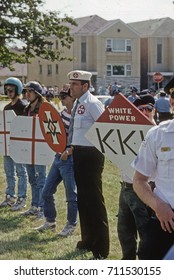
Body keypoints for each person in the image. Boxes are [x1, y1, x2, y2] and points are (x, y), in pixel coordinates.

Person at [67, 70, 109, 259]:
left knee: (94, 201)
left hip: (92, 155)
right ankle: (88, 239)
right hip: (79, 153)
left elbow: (105, 127)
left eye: (75, 84)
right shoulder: (78, 103)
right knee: (83, 199)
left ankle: (101, 248)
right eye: (71, 83)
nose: (71, 87)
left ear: (85, 86)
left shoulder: (93, 103)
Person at [132, 77, 174, 260]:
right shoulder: (158, 135)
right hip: (166, 219)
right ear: (172, 102)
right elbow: (139, 181)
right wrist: (158, 206)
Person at [35, 84, 78, 236]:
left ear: (72, 97)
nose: (62, 99)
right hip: (59, 156)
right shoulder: (62, 113)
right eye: (60, 96)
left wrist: (69, 150)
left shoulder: (78, 116)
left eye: (64, 96)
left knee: (71, 195)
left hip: (69, 158)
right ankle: (50, 221)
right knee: (46, 191)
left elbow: (81, 138)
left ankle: (71, 224)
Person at [117, 94, 156, 260]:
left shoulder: (158, 133)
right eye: (140, 109)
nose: (145, 112)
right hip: (126, 186)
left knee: (145, 230)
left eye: (149, 108)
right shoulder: (127, 129)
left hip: (145, 189)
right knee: (124, 230)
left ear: (154, 110)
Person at [0, 77, 28, 211]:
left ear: (17, 90)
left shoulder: (23, 107)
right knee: (9, 171)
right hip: (7, 144)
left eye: (11, 90)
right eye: (7, 90)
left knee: (21, 172)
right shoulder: (6, 107)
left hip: (18, 145)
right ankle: (10, 196)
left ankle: (22, 198)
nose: (9, 92)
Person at [21, 81, 47, 219]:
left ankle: (42, 208)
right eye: (26, 91)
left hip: (40, 148)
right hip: (29, 148)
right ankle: (34, 205)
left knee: (41, 179)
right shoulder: (26, 109)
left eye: (30, 91)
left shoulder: (45, 108)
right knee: (32, 178)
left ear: (37, 93)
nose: (27, 94)